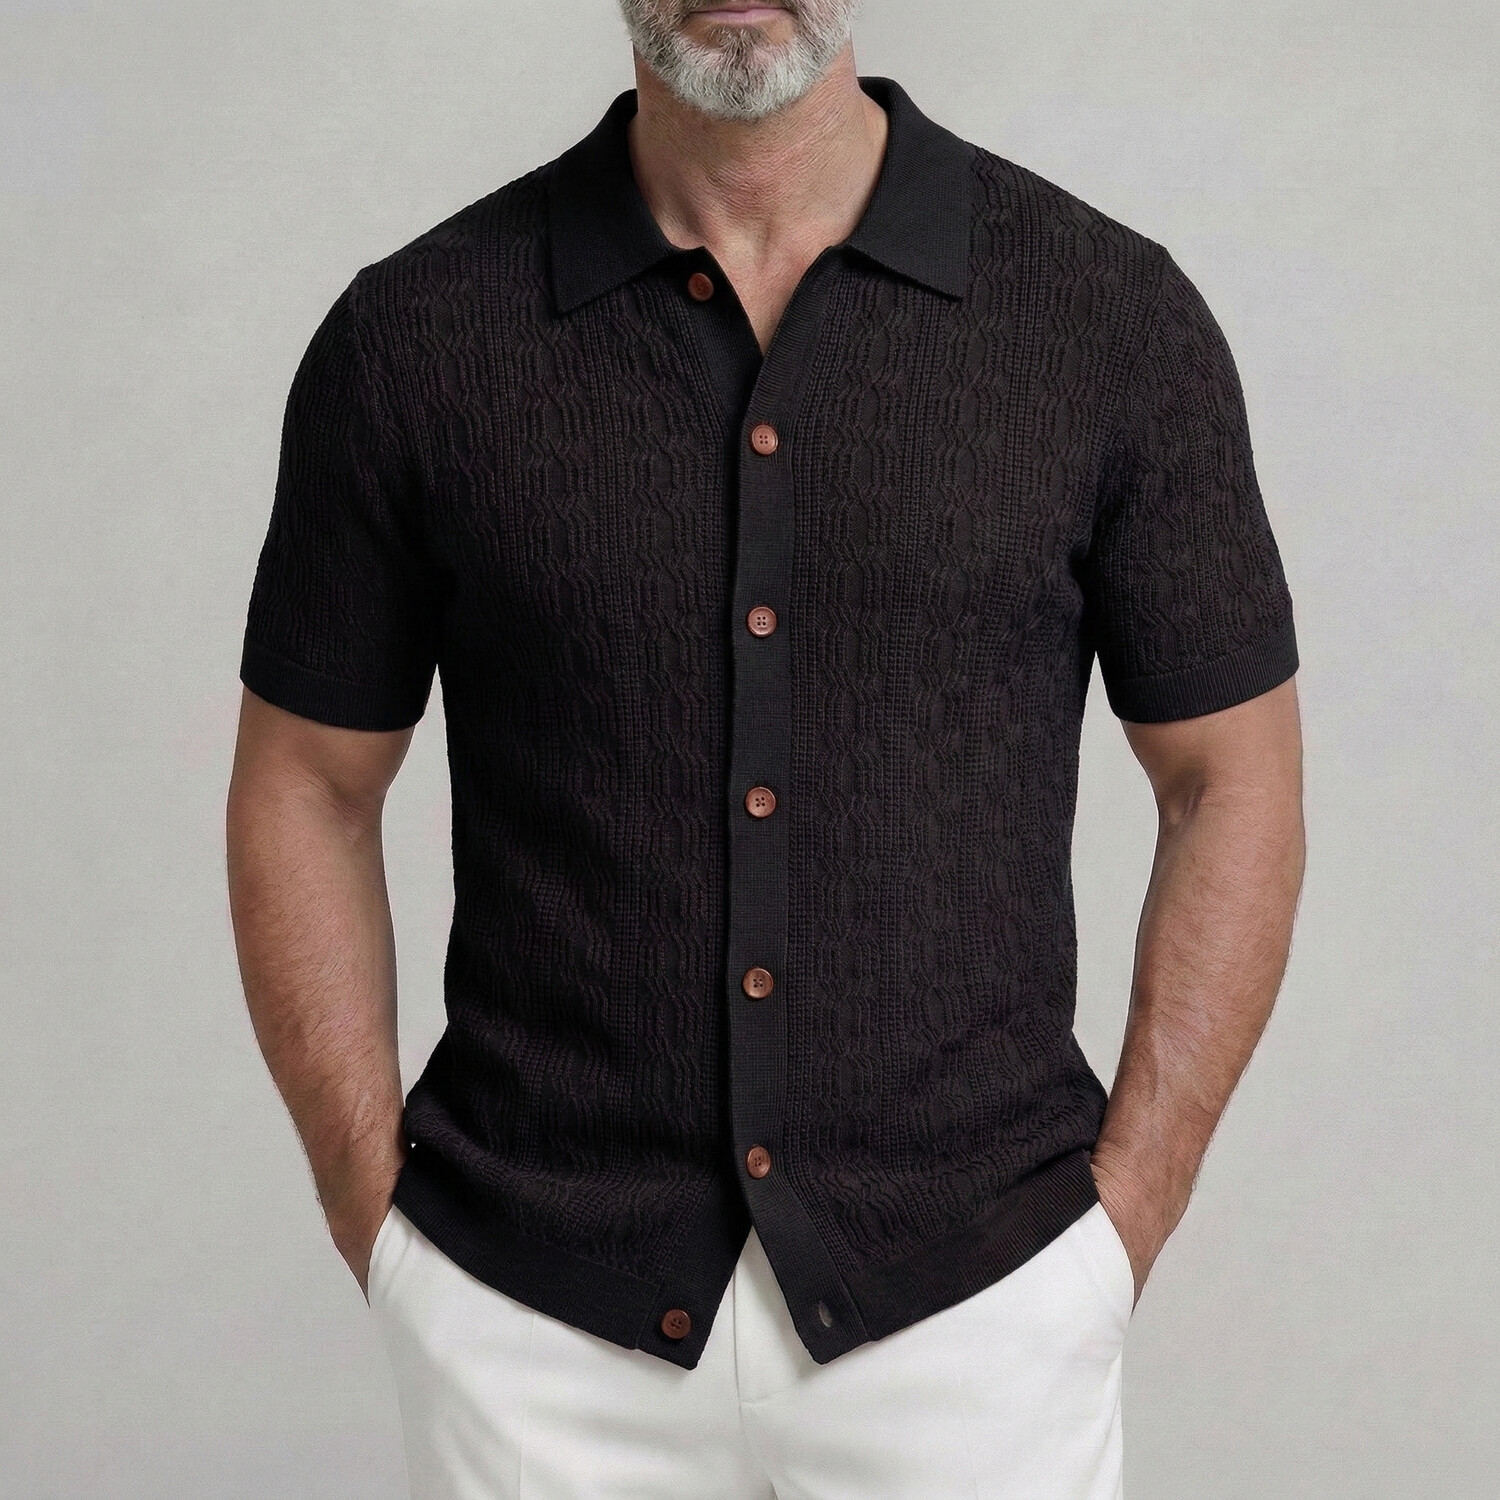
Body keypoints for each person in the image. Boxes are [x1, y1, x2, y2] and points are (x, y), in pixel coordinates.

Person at [225, 1, 1306, 1495]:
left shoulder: (1109, 320)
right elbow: (307, 782)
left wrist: (1128, 1214)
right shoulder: (413, 338)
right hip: (530, 1319)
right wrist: (375, 1212)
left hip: (978, 1306)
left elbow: (1229, 777)